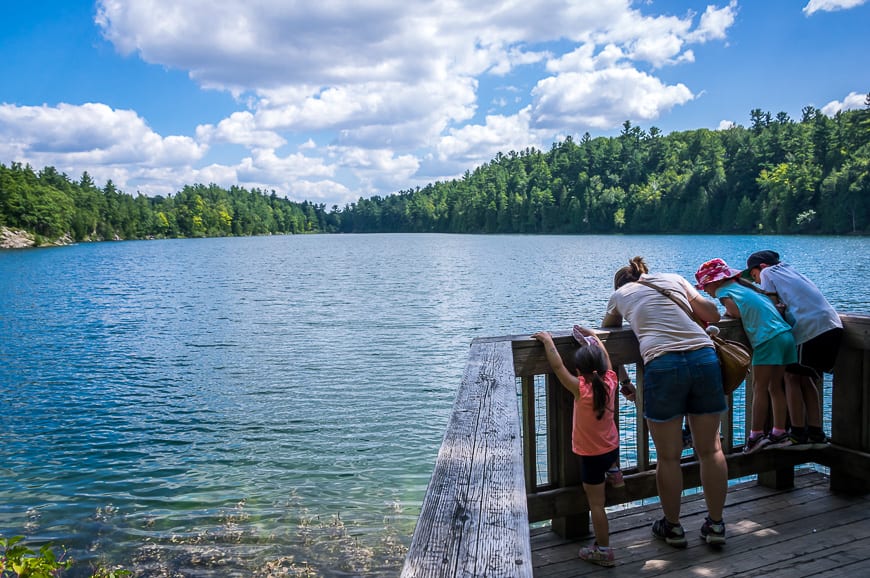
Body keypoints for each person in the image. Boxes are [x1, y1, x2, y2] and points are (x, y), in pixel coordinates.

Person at [602, 256, 728, 547]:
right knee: (711, 450)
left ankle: (672, 528)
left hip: (663, 364)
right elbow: (714, 314)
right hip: (704, 357)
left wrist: (624, 381)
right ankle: (716, 526)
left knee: (669, 457)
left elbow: (607, 333)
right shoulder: (673, 279)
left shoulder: (620, 295)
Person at [532, 326, 620, 567]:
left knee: (597, 505)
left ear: (580, 372)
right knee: (609, 454)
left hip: (592, 456)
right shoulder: (611, 379)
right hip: (611, 448)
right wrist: (593, 336)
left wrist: (547, 340)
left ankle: (603, 550)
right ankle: (614, 471)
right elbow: (606, 357)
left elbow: (558, 367)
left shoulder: (580, 388)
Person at [694, 258, 797, 453]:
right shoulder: (745, 288)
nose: (705, 291)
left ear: (714, 282)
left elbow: (735, 312)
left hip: (767, 339)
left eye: (705, 286)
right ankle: (779, 432)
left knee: (759, 388)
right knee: (775, 387)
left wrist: (727, 313)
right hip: (785, 335)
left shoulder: (724, 291)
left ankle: (756, 435)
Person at [742, 250, 843, 448]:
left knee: (790, 377)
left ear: (761, 267)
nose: (756, 281)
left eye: (753, 275)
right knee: (806, 378)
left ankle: (797, 433)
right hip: (832, 325)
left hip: (810, 328)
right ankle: (816, 432)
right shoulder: (791, 271)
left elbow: (771, 306)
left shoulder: (768, 273)